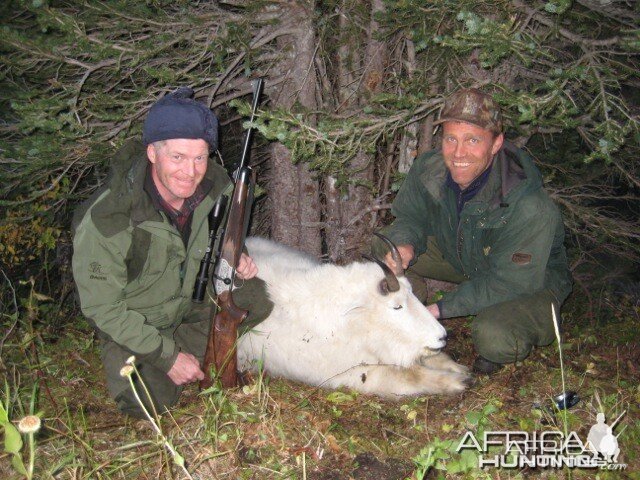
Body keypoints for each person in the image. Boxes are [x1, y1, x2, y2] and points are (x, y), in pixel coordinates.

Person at [72, 87, 268, 417]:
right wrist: (168, 357)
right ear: (152, 153)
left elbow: (224, 240)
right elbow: (102, 308)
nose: (190, 172)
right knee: (147, 403)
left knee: (255, 298)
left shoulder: (220, 192)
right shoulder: (109, 217)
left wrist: (237, 259)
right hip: (136, 322)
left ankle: (204, 354)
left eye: (199, 158)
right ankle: (171, 360)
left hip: (188, 307)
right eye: (177, 157)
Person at [374, 88, 572, 374]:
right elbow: (410, 216)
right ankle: (405, 313)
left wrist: (439, 310)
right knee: (386, 247)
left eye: (473, 140)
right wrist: (405, 244)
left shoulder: (529, 206)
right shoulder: (429, 169)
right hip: (466, 257)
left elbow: (511, 282)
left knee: (495, 337)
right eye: (450, 139)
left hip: (530, 280)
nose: (458, 153)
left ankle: (537, 317)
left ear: (496, 144)